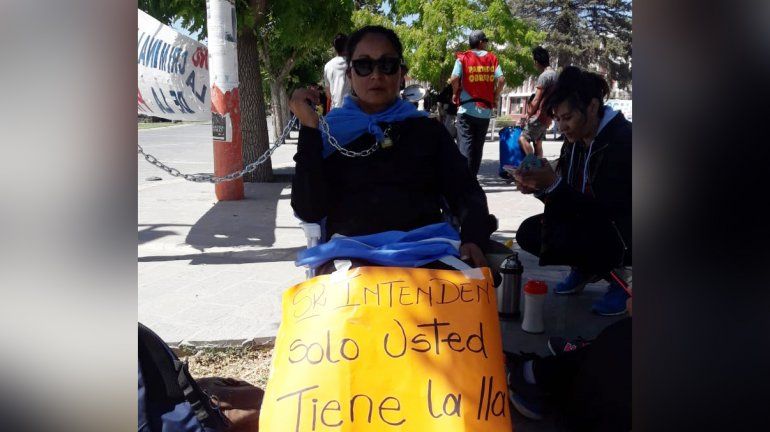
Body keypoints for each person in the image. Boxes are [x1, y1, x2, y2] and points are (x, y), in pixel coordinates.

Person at [290, 25, 494, 273]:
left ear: (401, 74)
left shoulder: (426, 130)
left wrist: (473, 237)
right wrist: (309, 129)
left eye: (387, 64)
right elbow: (308, 209)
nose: (376, 75)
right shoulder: (329, 133)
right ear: (350, 75)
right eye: (364, 66)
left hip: (426, 251)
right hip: (349, 254)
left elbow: (466, 191)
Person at [512, 66, 631, 316]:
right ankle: (586, 267)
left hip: (623, 233)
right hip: (593, 223)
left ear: (592, 107)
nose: (562, 127)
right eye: (558, 119)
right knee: (531, 233)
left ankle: (624, 283)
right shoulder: (575, 143)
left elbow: (606, 212)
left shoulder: (623, 142)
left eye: (567, 118)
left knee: (587, 235)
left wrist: (553, 185)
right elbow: (567, 199)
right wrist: (538, 186)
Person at [450, 30, 506, 176]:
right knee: (477, 148)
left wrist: (455, 93)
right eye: (485, 41)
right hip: (485, 112)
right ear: (480, 42)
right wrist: (495, 95)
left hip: (466, 110)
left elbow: (454, 78)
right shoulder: (492, 58)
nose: (486, 44)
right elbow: (501, 80)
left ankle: (464, 181)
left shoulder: (463, 58)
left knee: (465, 146)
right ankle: (472, 179)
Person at [519, 46, 558, 158]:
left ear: (536, 61)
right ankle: (538, 171)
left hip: (539, 115)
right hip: (548, 116)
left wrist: (528, 113)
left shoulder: (544, 76)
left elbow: (536, 99)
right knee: (538, 144)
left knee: (523, 139)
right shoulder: (555, 75)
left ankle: (533, 166)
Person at [323, 33, 351, 110]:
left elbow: (328, 94)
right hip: (351, 110)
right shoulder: (353, 63)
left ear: (334, 48)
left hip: (335, 110)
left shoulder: (328, 66)